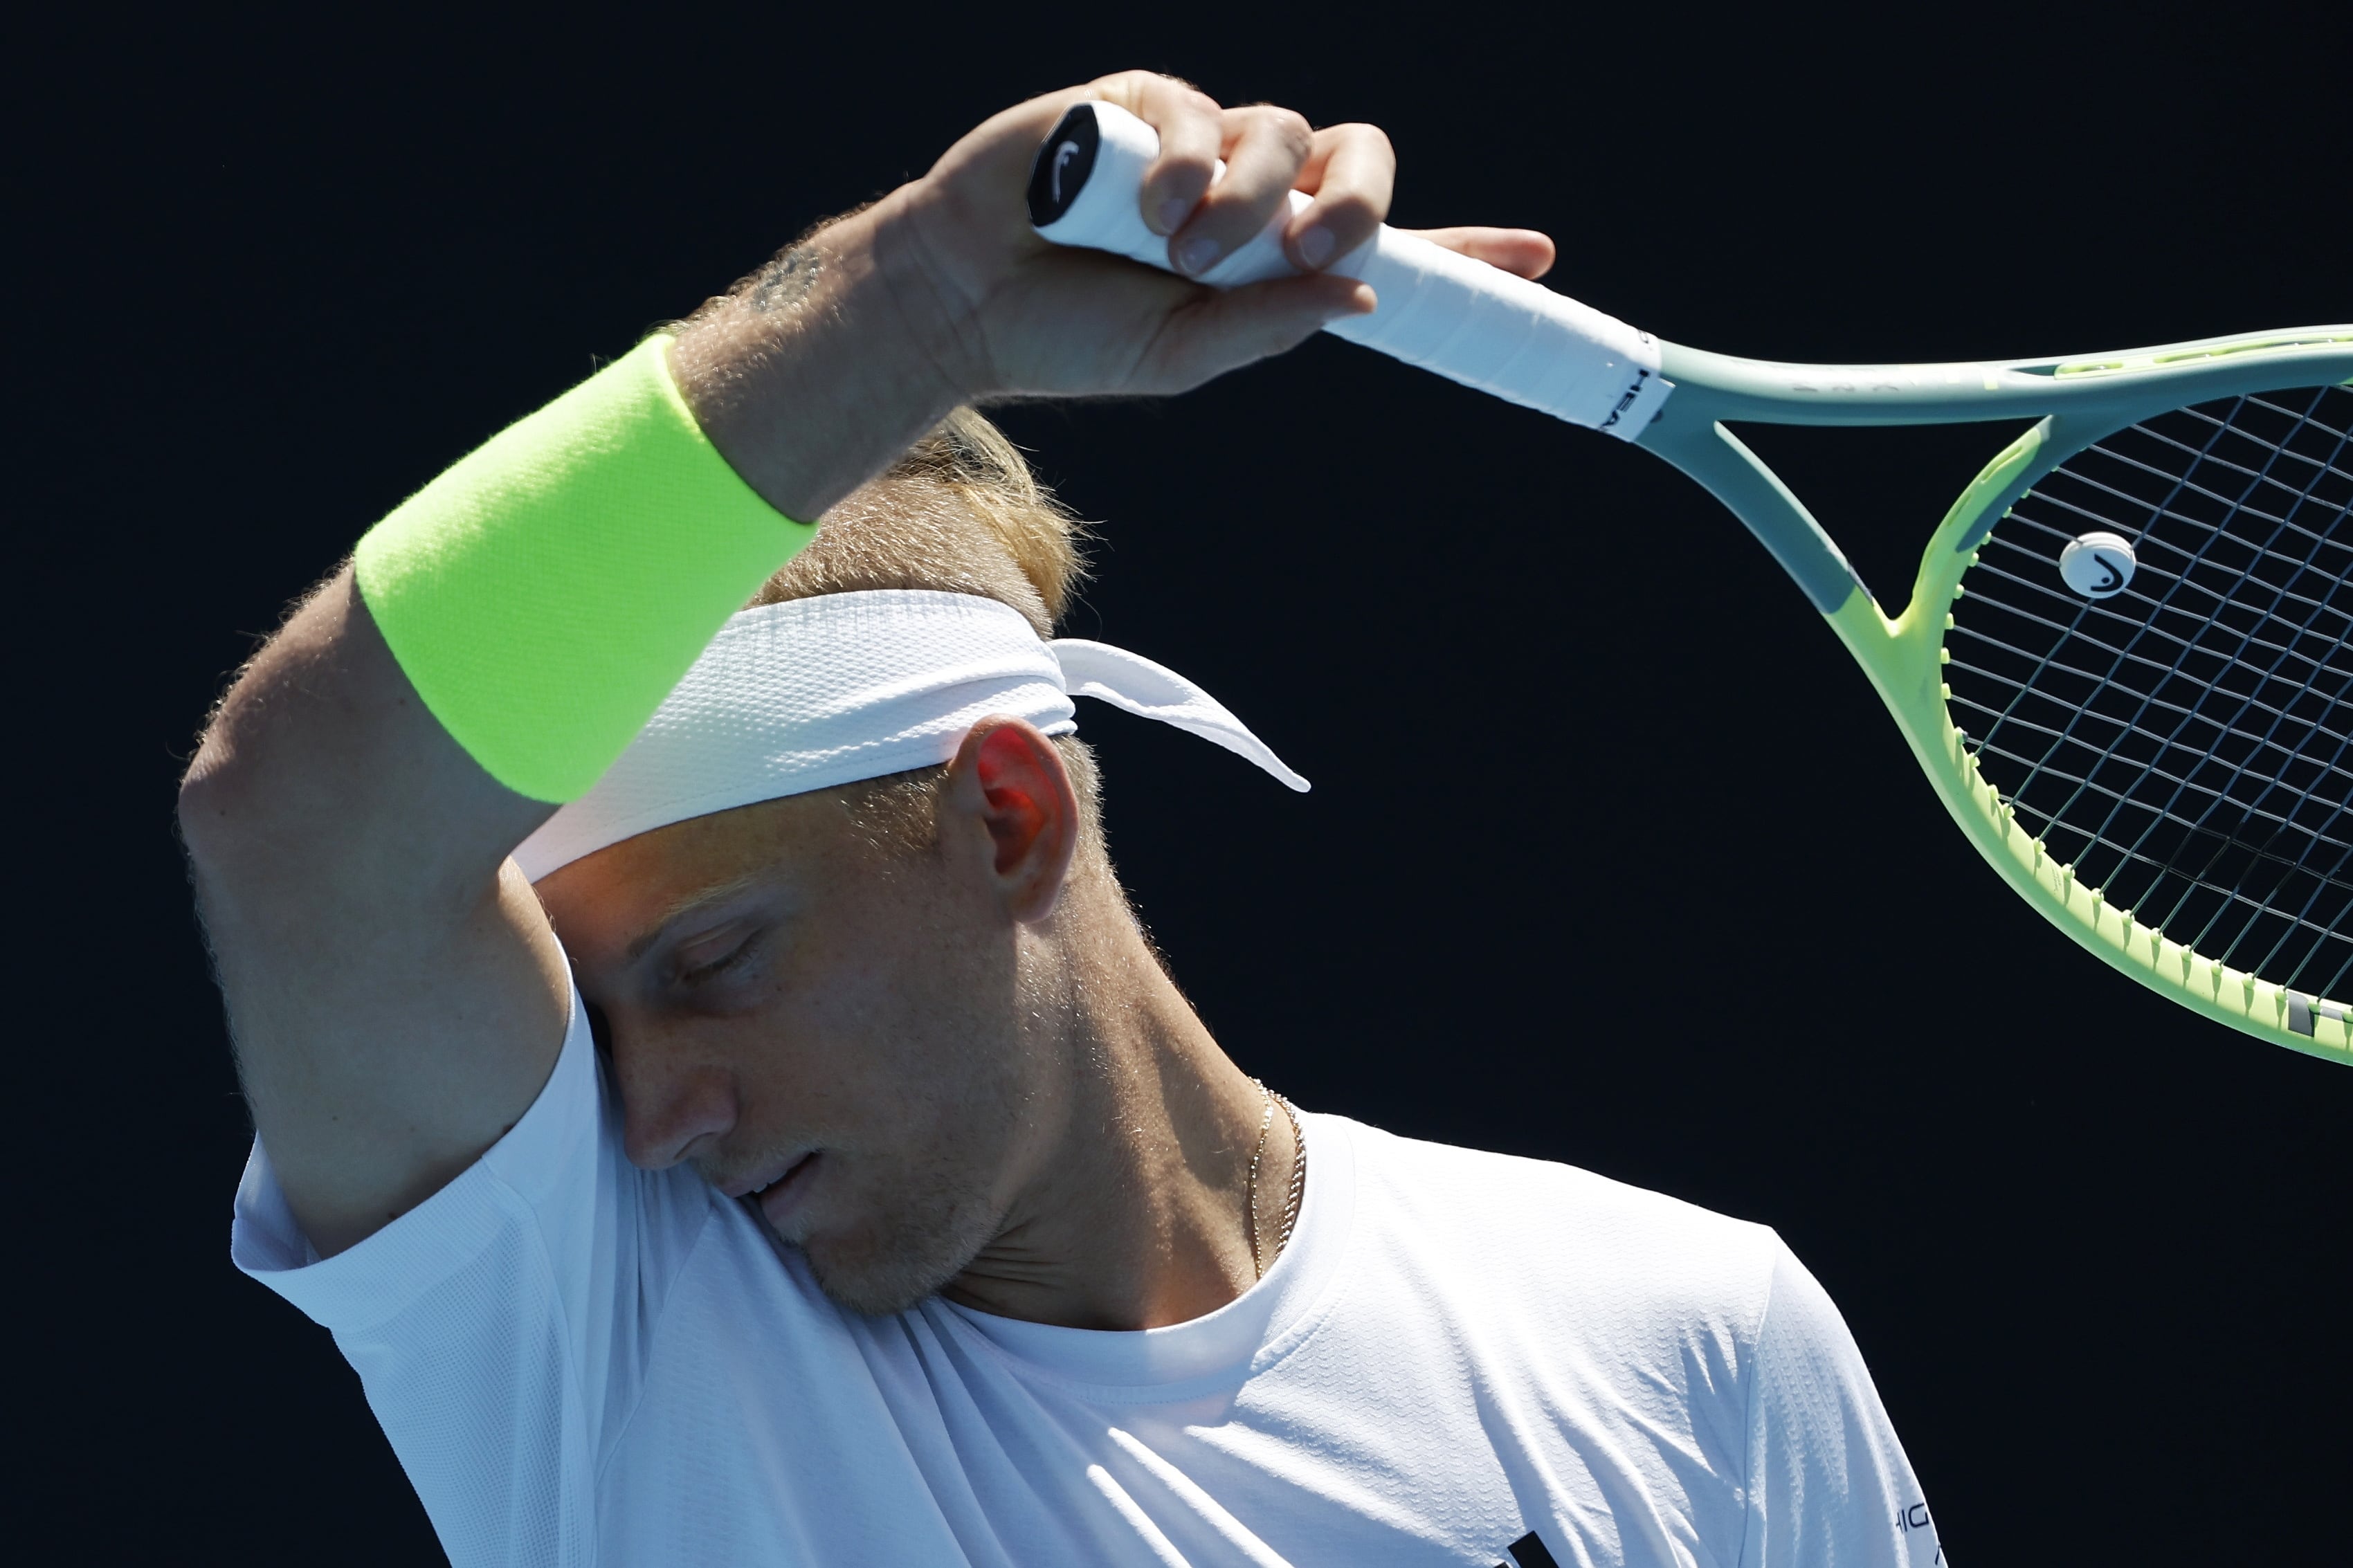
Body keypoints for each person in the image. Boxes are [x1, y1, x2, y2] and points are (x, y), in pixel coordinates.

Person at [181, 71, 1945, 1568]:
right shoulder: (605, 1323)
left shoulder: (1693, 1333)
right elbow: (294, 817)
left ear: (1008, 814)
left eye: (710, 960)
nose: (647, 1112)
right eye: (598, 1012)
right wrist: (921, 301)